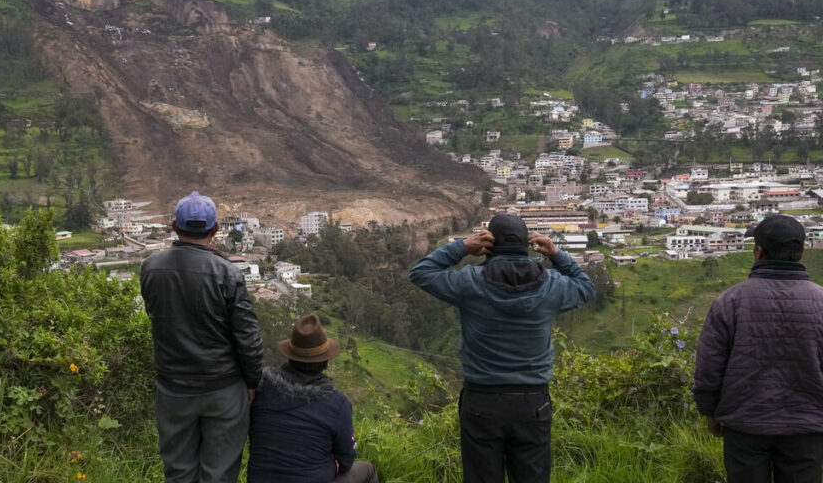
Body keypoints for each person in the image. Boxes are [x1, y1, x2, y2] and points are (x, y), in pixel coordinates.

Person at [408, 212, 594, 483]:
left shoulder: (470, 282)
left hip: (481, 401)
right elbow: (586, 288)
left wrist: (461, 247)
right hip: (532, 402)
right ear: (527, 244)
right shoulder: (552, 285)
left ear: (488, 244)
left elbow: (421, 272)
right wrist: (556, 254)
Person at [140, 191, 264, 483]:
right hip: (223, 388)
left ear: (174, 227)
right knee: (219, 473)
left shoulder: (151, 268)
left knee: (179, 471)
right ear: (216, 229)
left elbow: (156, 315)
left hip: (173, 388)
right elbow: (247, 337)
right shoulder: (228, 274)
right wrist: (251, 382)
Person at [693, 214, 823, 483]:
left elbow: (709, 367)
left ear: (758, 253)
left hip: (745, 425)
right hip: (807, 427)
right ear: (800, 252)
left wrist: (710, 411)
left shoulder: (729, 302)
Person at [248, 313, 379, 483]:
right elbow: (346, 460)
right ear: (325, 361)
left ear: (290, 355)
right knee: (368, 470)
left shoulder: (261, 389)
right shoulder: (337, 403)